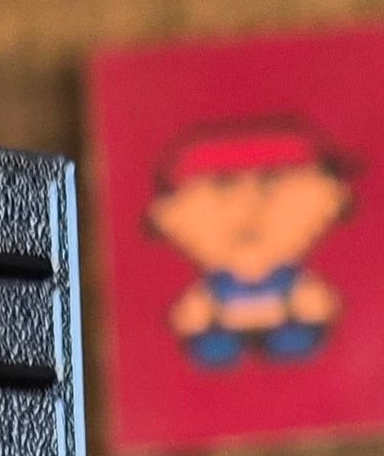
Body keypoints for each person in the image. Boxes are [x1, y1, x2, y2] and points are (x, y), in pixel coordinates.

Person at [146, 120, 355, 369]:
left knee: (293, 339)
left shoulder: (287, 278)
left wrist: (315, 308)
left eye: (271, 182)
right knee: (215, 347)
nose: (249, 207)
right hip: (225, 328)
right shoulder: (219, 285)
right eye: (224, 184)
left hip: (286, 323)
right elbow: (196, 308)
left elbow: (313, 300)